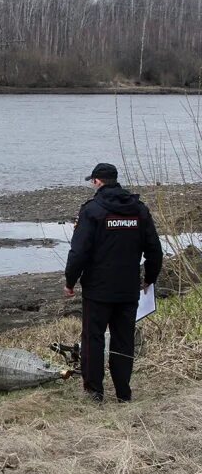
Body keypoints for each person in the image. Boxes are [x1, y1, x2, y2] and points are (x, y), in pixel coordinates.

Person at [65, 163, 163, 403]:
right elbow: (155, 251)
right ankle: (123, 392)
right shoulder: (139, 210)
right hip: (128, 289)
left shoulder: (92, 211)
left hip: (98, 290)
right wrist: (149, 279)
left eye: (93, 181)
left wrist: (70, 281)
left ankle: (94, 392)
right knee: (123, 340)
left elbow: (79, 252)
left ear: (98, 182)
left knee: (93, 338)